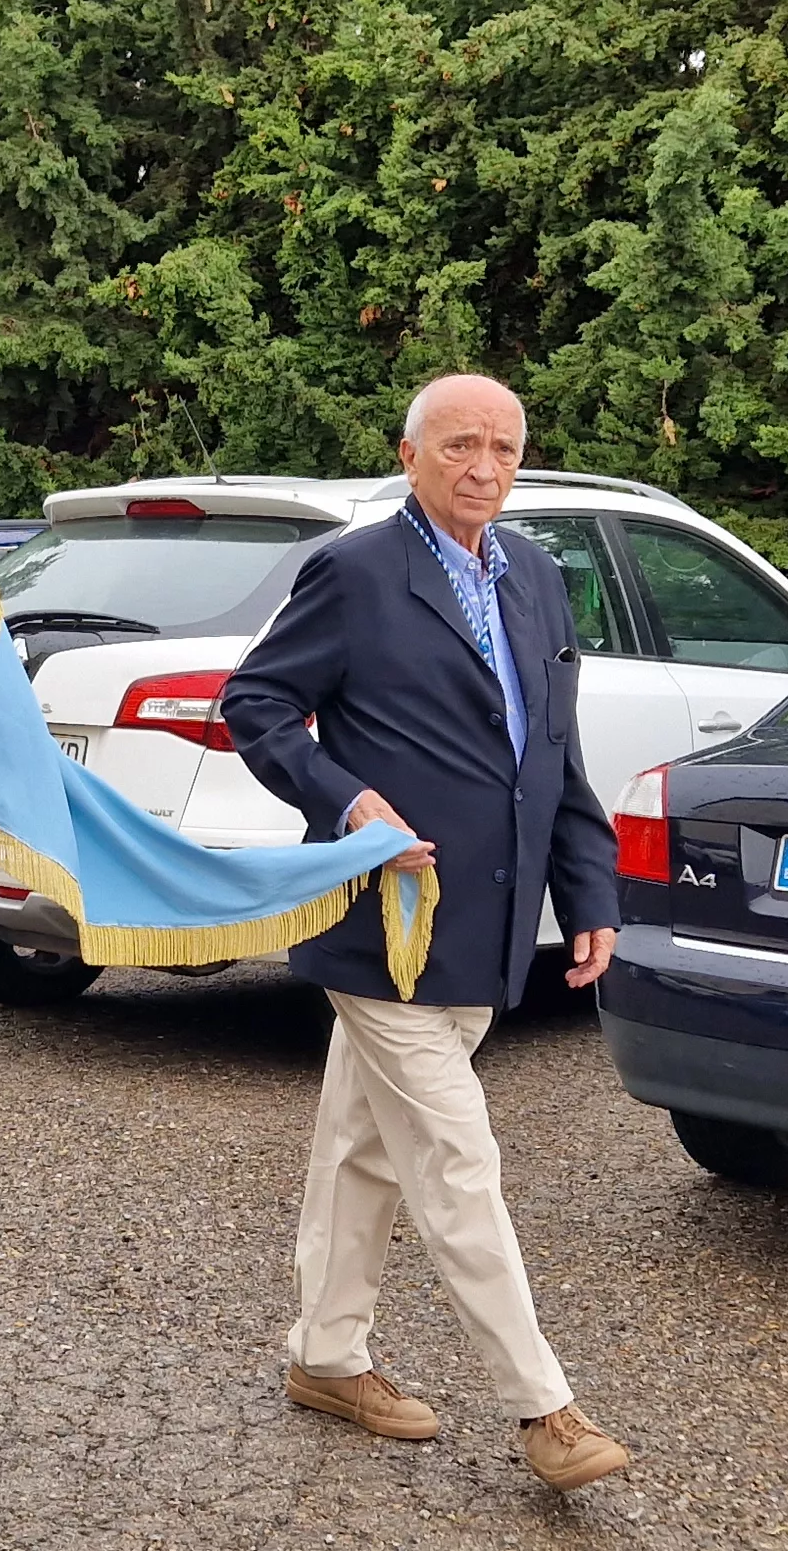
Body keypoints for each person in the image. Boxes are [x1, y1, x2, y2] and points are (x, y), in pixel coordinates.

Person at [217, 373, 638, 1495]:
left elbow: (553, 750)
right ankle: (544, 1408)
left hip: (489, 929)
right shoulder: (356, 572)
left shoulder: (539, 576)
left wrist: (587, 889)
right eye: (458, 446)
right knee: (456, 1161)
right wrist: (347, 805)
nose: (483, 468)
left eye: (502, 447)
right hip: (385, 929)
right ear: (409, 457)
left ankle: (324, 1355)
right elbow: (254, 702)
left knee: (361, 1150)